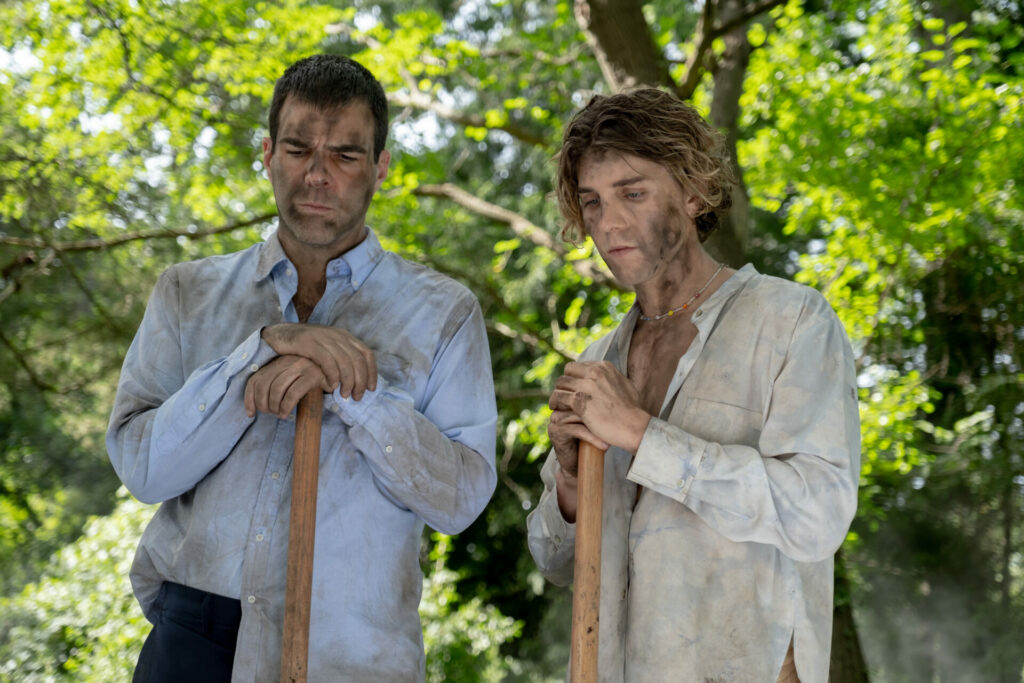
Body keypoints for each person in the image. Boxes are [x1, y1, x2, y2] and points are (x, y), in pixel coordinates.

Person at [107, 54, 497, 682]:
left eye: (345, 155)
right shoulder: (186, 293)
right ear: (267, 154)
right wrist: (264, 348)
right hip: (194, 640)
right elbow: (144, 470)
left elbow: (460, 501)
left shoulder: (444, 313)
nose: (318, 176)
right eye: (297, 149)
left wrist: (351, 389)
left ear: (381, 169)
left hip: (351, 655)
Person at [526, 88, 860, 682]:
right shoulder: (597, 363)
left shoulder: (791, 322)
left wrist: (641, 435)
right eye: (593, 202)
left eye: (632, 192)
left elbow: (818, 513)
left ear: (692, 190)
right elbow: (554, 562)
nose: (610, 222)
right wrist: (572, 481)